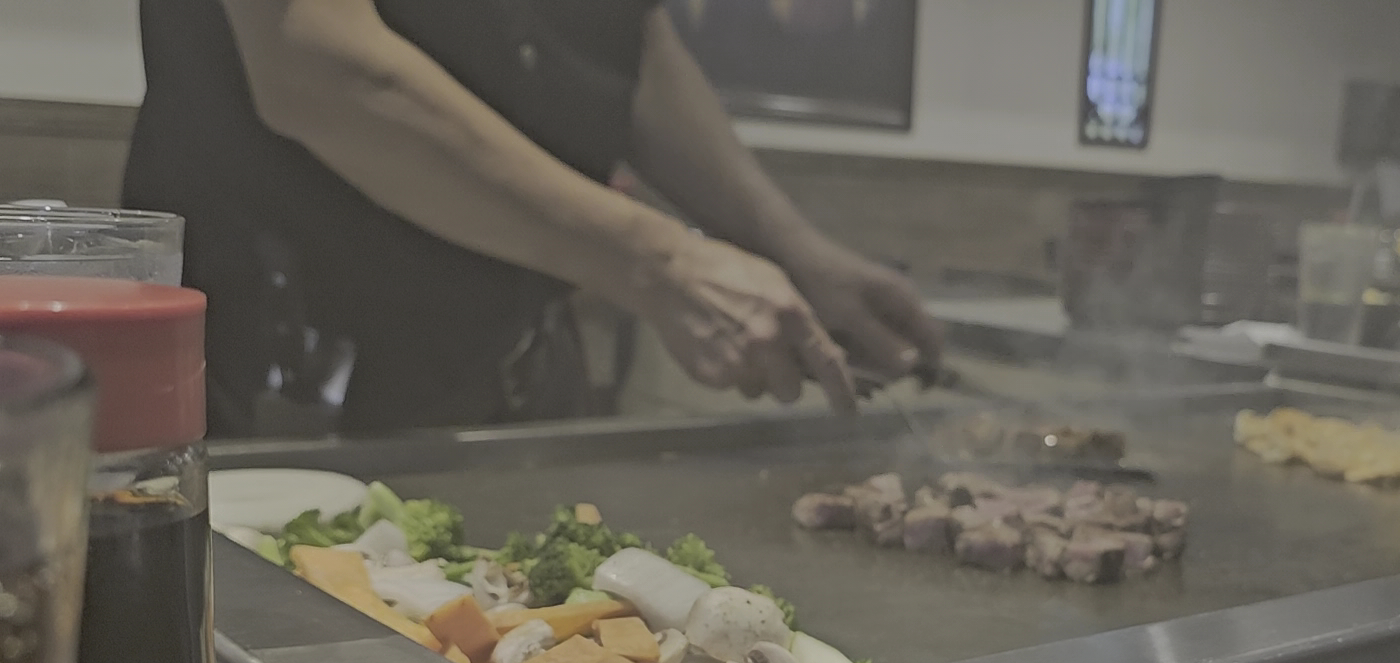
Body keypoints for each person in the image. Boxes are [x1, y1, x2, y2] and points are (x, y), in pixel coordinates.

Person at [122, 0, 942, 435]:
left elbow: (625, 49)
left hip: (519, 369)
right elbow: (316, 62)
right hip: (292, 380)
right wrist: (662, 264)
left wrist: (795, 254)